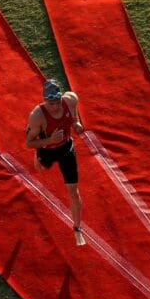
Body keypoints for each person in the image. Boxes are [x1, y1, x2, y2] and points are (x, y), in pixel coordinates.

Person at [25, 79, 85, 246]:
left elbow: (73, 113)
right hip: (47, 150)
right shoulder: (37, 116)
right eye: (51, 103)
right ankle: (38, 159)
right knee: (40, 168)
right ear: (45, 101)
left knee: (73, 191)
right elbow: (28, 143)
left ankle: (77, 227)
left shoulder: (70, 100)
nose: (55, 107)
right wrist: (50, 139)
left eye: (57, 102)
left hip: (66, 148)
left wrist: (76, 123)